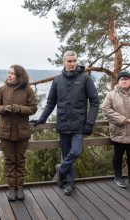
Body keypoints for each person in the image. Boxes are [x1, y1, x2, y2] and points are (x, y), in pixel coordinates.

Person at [30, 51, 99, 195]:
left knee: (76, 151)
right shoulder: (57, 80)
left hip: (79, 125)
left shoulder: (85, 78)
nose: (72, 63)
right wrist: (42, 118)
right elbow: (50, 103)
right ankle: (70, 184)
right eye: (69, 61)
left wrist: (90, 122)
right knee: (67, 153)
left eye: (74, 60)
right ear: (64, 62)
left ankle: (60, 170)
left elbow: (95, 102)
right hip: (62, 123)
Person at [0, 65, 37, 201]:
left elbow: (33, 108)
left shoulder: (28, 90)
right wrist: (5, 108)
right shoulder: (2, 89)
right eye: (8, 73)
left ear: (20, 76)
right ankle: (12, 189)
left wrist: (20, 109)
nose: (9, 76)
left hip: (22, 132)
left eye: (12, 74)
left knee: (20, 161)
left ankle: (20, 188)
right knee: (10, 161)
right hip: (6, 132)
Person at [102, 71, 130, 188]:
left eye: (126, 78)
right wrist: (123, 119)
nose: (124, 80)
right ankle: (118, 176)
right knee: (118, 155)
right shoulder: (111, 95)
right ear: (118, 81)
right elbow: (105, 109)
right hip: (118, 131)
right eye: (122, 79)